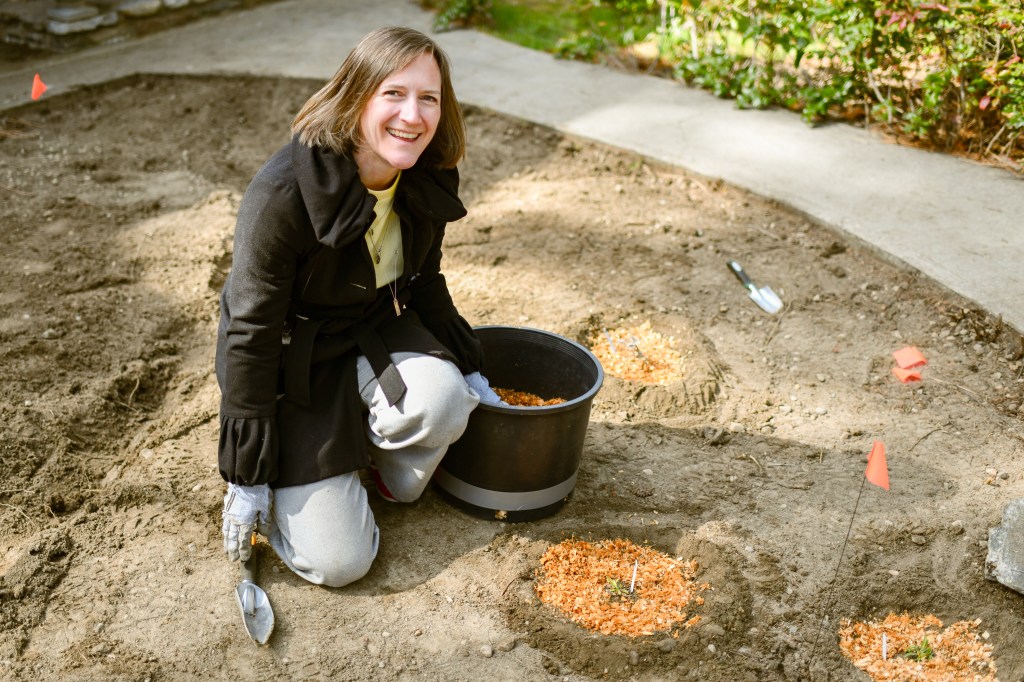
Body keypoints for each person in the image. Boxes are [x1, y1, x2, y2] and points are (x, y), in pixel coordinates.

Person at [216, 26, 500, 588]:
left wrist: (470, 369)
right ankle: (308, 477)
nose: (412, 116)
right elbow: (249, 330)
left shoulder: (426, 173)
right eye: (393, 94)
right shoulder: (283, 196)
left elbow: (424, 280)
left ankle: (372, 461)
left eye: (429, 98)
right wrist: (246, 474)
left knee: (447, 403)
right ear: (356, 97)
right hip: (297, 360)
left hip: (374, 330)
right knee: (341, 564)